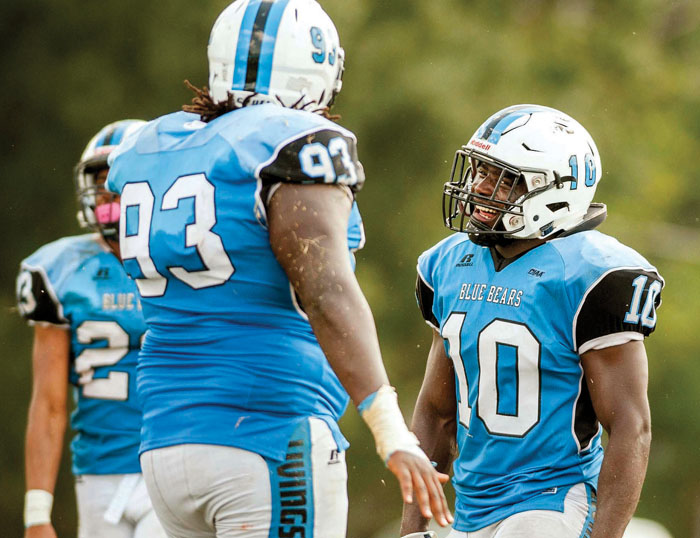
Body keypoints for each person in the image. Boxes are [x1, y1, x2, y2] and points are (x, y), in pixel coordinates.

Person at [105, 1, 452, 537]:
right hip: (268, 432)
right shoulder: (290, 142)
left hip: (165, 445)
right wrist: (389, 429)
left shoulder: (152, 145)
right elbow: (325, 292)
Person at [400, 104, 663, 538]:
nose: (479, 187)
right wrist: (414, 529)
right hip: (470, 509)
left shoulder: (590, 274)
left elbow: (630, 427)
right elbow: (436, 410)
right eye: (480, 171)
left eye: (504, 179)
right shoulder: (447, 264)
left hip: (552, 501)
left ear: (555, 192)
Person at [16, 120, 167, 538]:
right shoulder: (59, 269)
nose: (108, 195)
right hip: (97, 471)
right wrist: (37, 513)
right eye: (101, 184)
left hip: (173, 459)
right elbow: (48, 403)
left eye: (120, 183)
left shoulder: (190, 259)